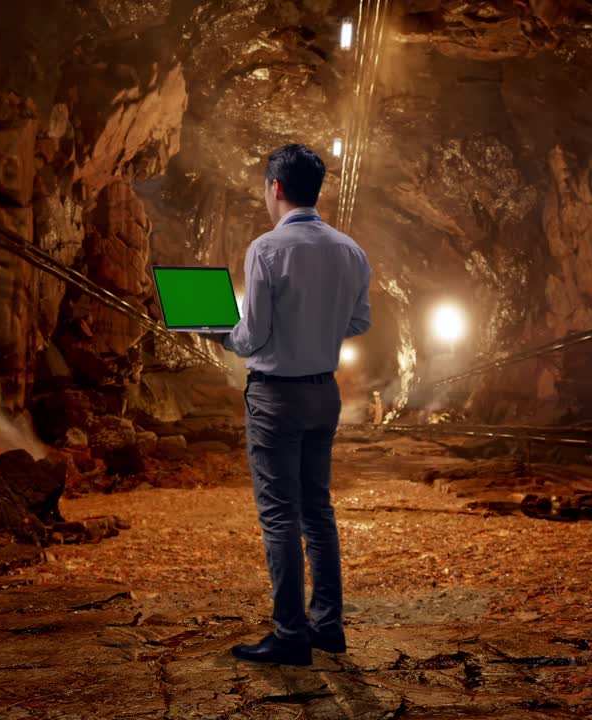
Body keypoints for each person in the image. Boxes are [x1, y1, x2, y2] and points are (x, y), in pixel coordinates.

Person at [203, 143, 371, 666]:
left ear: (275, 188)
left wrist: (219, 333)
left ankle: (289, 634)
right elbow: (360, 322)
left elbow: (251, 336)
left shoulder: (266, 249)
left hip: (277, 397)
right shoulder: (350, 250)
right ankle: (328, 626)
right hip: (325, 392)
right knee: (317, 511)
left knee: (279, 517)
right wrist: (319, 331)